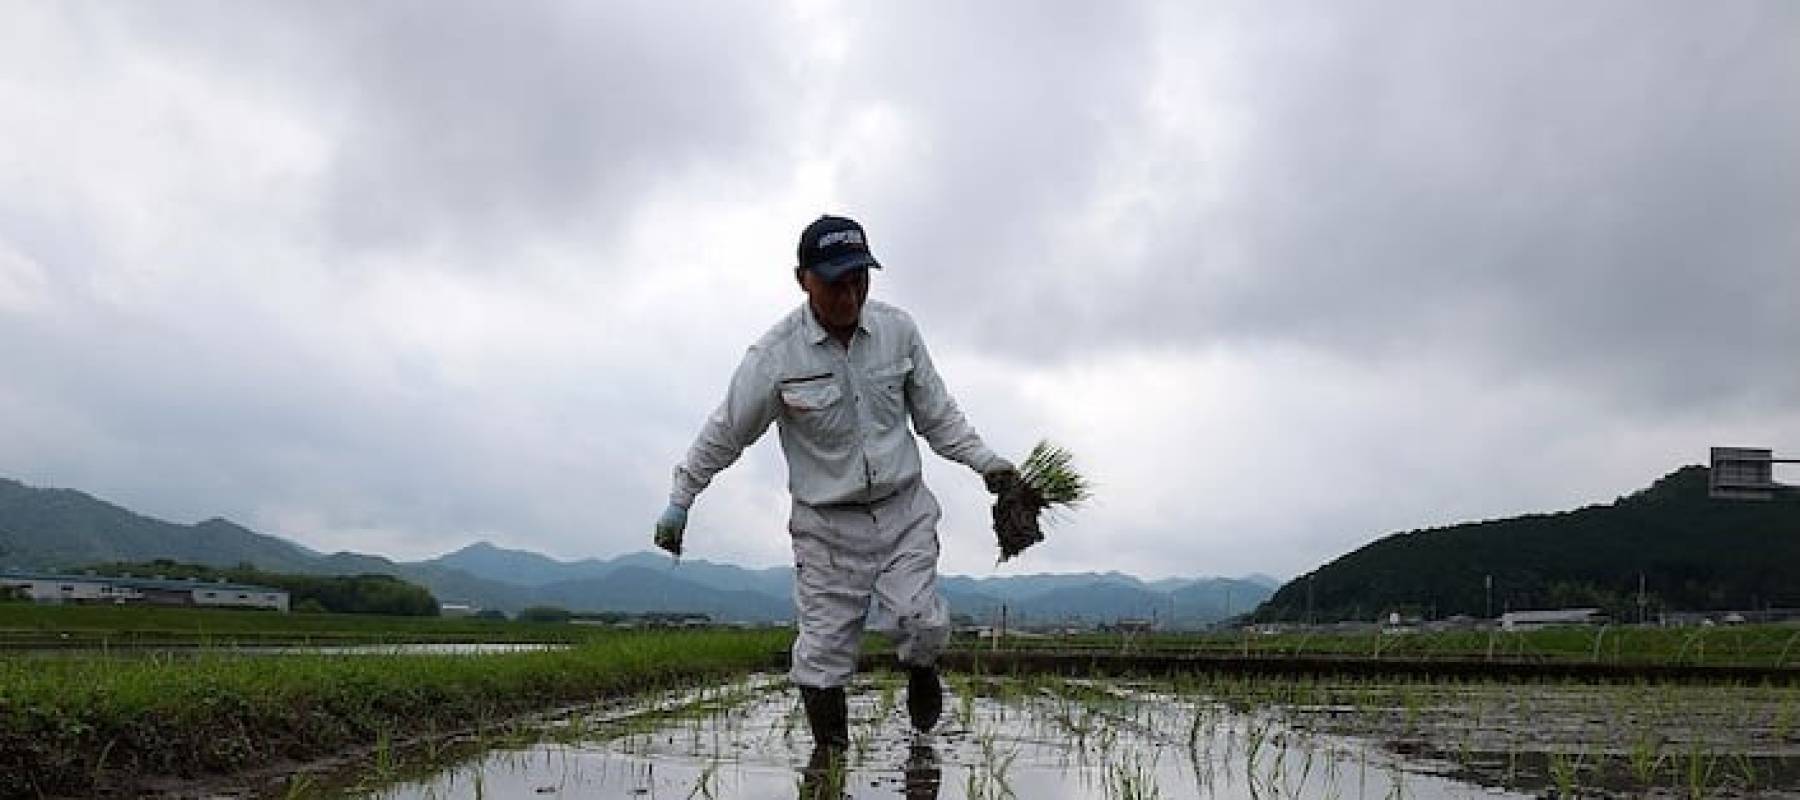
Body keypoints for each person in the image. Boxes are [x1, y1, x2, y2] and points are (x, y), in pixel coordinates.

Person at [654, 214, 1015, 756]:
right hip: (825, 526)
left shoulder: (898, 331)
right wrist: (682, 498)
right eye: (836, 283)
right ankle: (830, 762)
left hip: (902, 511)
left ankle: (921, 669)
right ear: (803, 280)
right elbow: (726, 430)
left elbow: (938, 416)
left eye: (860, 281)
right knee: (821, 655)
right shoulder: (774, 358)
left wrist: (994, 468)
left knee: (919, 623)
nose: (850, 295)